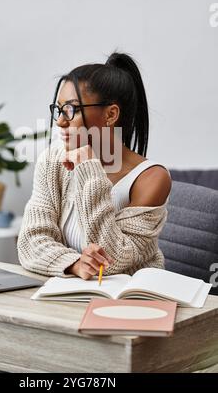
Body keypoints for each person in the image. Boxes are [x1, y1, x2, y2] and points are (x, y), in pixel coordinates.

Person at [17, 52, 171, 280]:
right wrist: (74, 263)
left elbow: (114, 259)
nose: (60, 121)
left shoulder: (152, 178)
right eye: (58, 109)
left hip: (132, 301)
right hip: (72, 294)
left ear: (110, 114)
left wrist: (90, 170)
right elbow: (31, 242)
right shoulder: (53, 160)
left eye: (71, 109)